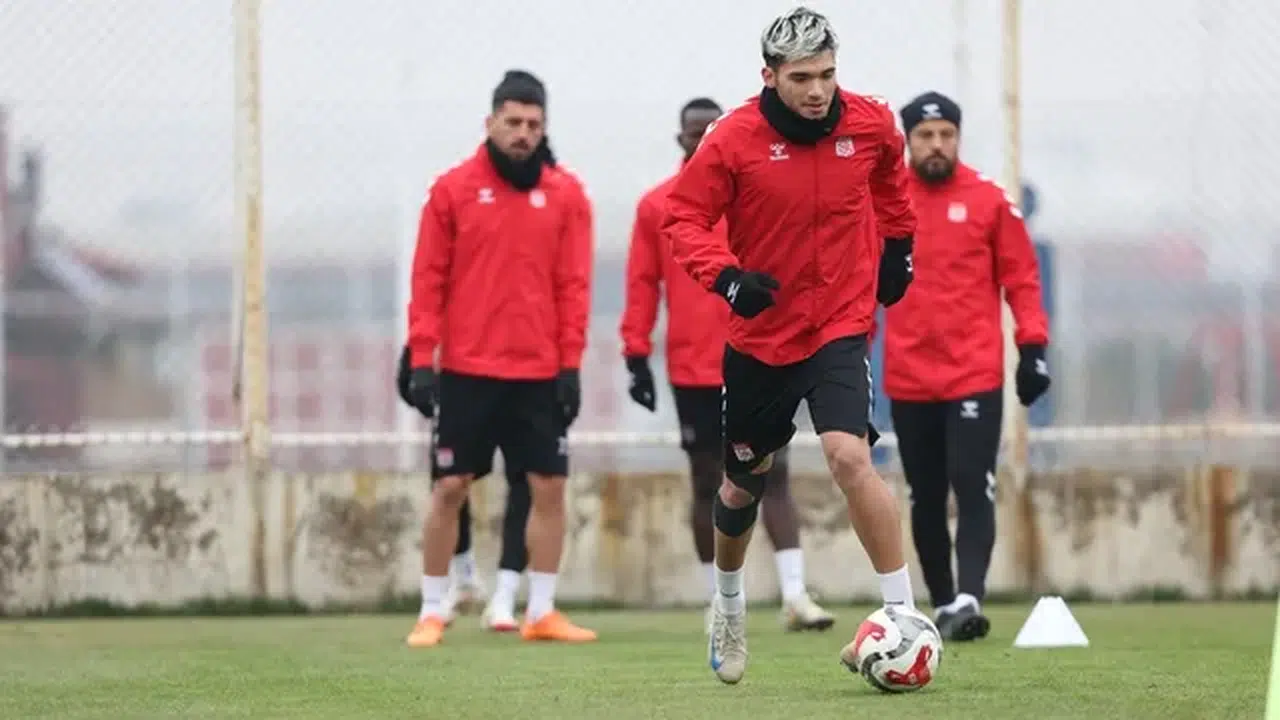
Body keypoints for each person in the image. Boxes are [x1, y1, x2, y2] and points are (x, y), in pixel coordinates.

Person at [662, 6, 919, 685]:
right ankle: (728, 604)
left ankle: (903, 615)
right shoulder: (732, 138)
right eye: (801, 77)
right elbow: (683, 217)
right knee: (740, 485)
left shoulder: (870, 123)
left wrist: (899, 246)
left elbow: (892, 181)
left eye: (826, 74)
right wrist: (726, 277)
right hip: (761, 337)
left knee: (848, 455)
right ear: (770, 76)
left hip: (839, 323)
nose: (817, 90)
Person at [621, 96, 835, 634]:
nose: (700, 143)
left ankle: (795, 595)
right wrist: (635, 352)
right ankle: (714, 598)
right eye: (692, 133)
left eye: (708, 133)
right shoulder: (657, 206)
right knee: (706, 480)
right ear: (680, 139)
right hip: (692, 365)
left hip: (761, 355)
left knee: (774, 473)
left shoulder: (756, 193)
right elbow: (643, 284)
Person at [402, 69, 596, 648]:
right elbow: (428, 279)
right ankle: (432, 609)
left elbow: (574, 286)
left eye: (533, 124)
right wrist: (422, 358)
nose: (523, 133)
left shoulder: (567, 195)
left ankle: (541, 610)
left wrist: (570, 366)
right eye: (513, 122)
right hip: (467, 370)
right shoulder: (452, 190)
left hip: (539, 372)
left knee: (549, 487)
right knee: (450, 486)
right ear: (490, 123)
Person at [882, 91, 1050, 641]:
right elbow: (859, 284)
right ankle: (945, 604)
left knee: (973, 482)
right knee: (925, 494)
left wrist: (1033, 349)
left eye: (946, 135)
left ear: (957, 138)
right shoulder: (884, 203)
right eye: (925, 136)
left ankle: (970, 597)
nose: (936, 145)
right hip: (908, 376)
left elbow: (1022, 278)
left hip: (973, 374)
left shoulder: (988, 201)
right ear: (908, 141)